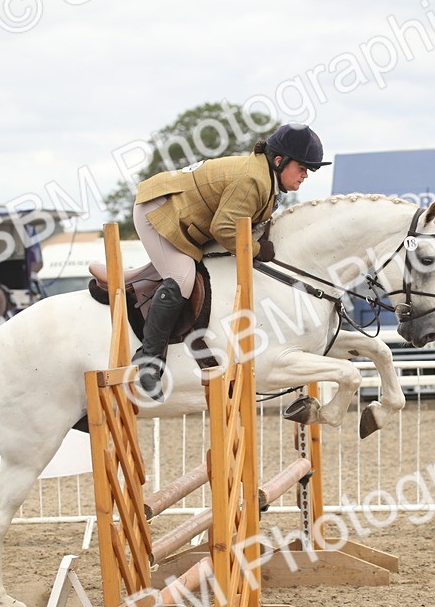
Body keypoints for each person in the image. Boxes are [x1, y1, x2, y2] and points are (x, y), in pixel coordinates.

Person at [130, 122, 330, 400]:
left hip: (189, 217)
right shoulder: (254, 180)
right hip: (159, 211)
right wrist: (258, 249)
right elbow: (225, 229)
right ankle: (148, 361)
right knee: (182, 279)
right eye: (303, 168)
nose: (305, 175)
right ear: (279, 160)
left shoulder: (266, 181)